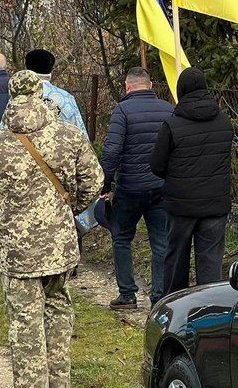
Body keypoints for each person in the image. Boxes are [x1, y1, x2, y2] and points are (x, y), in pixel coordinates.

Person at [0, 70, 103, 388]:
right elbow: (94, 182)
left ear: (11, 96)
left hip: (17, 252)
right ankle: (59, 383)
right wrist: (69, 208)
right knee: (59, 314)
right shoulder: (69, 136)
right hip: (60, 248)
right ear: (40, 93)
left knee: (24, 324)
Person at [150, 67, 233, 295]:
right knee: (211, 264)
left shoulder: (172, 125)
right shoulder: (224, 122)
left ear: (181, 91)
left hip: (180, 205)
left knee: (176, 260)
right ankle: (210, 310)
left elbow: (156, 166)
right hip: (216, 204)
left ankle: (173, 309)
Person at [100, 66, 172, 310]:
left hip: (129, 187)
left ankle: (128, 294)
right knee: (161, 243)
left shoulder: (122, 110)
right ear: (150, 85)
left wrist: (106, 184)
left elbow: (111, 152)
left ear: (127, 86)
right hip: (161, 187)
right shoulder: (168, 109)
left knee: (121, 238)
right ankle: (160, 296)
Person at [25, 49, 88, 137]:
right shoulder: (66, 98)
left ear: (27, 69)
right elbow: (80, 133)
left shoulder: (18, 96)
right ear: (51, 69)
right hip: (59, 149)